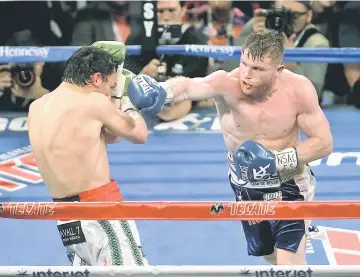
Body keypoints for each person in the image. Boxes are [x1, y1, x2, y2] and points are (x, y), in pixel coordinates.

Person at [126, 29, 334, 265]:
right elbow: (189, 86)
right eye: (244, 63)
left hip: (289, 182)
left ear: (278, 69)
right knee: (269, 255)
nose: (246, 74)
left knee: (290, 261)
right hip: (244, 183)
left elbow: (324, 143)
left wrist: (276, 161)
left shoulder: (299, 90)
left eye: (257, 69)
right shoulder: (227, 83)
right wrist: (164, 91)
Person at [27, 41, 151, 266]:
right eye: (109, 86)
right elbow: (140, 134)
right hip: (101, 211)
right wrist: (128, 100)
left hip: (66, 219)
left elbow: (112, 135)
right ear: (95, 79)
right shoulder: (92, 102)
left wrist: (113, 95)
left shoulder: (37, 107)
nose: (109, 92)